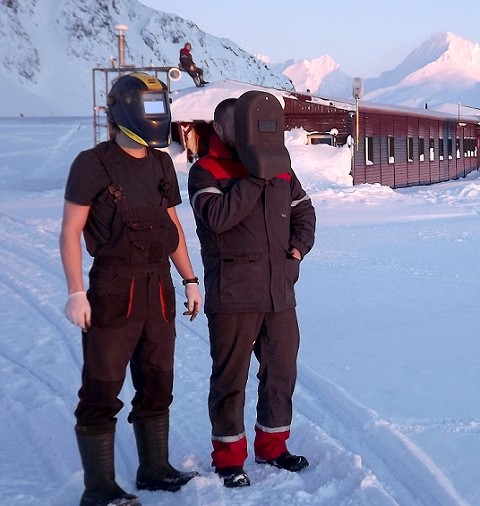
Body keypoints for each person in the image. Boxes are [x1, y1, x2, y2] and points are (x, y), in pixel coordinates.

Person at [60, 72, 203, 505]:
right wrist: (75, 291)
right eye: (151, 108)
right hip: (113, 286)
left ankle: (154, 469)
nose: (157, 118)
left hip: (157, 283)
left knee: (158, 379)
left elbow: (172, 223)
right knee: (102, 385)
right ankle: (98, 488)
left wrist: (190, 278)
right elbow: (71, 231)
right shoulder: (92, 164)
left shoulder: (161, 164)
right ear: (126, 111)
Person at [188, 93, 316, 488]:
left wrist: (297, 248)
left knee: (281, 370)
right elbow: (217, 218)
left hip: (279, 289)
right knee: (231, 378)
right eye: (238, 126)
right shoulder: (204, 170)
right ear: (223, 129)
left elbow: (304, 209)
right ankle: (228, 459)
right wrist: (255, 176)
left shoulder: (281, 167)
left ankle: (273, 447)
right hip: (233, 293)